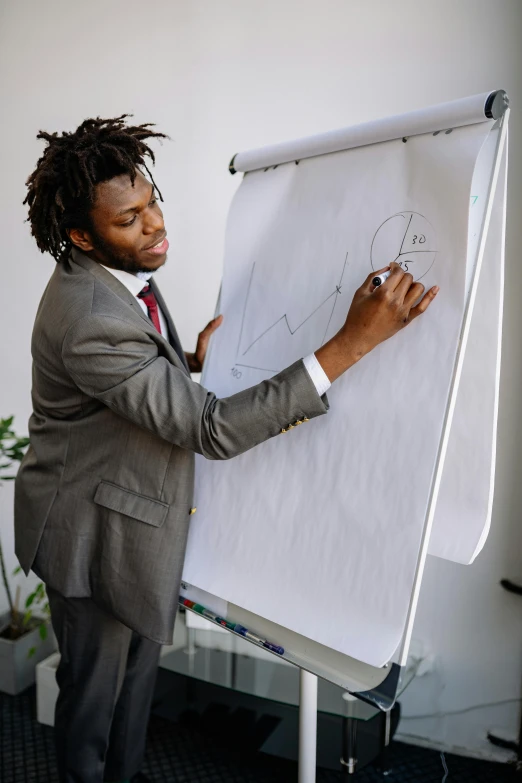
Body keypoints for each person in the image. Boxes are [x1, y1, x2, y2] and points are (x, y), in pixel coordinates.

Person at [14, 115, 438, 783]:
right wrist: (353, 341)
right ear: (80, 235)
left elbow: (122, 379)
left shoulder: (110, 278)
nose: (154, 223)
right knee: (94, 703)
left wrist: (183, 364)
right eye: (130, 218)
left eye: (152, 199)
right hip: (89, 533)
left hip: (127, 518)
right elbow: (207, 429)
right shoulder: (89, 313)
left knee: (136, 689)